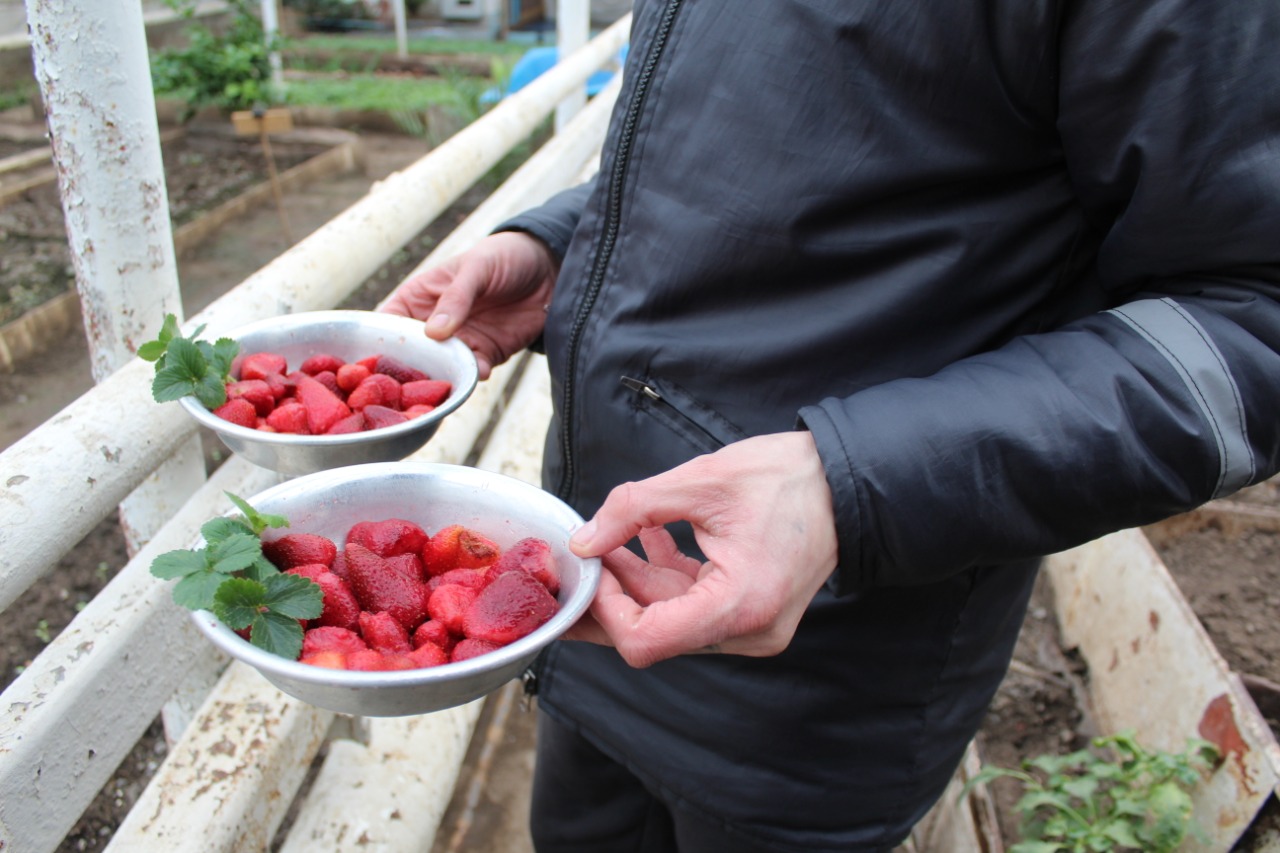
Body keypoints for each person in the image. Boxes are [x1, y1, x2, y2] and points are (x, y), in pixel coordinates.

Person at [382, 1, 1280, 849]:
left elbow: (1253, 317)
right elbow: (730, 161)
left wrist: (850, 485)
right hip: (594, 613)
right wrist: (557, 249)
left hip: (817, 695)